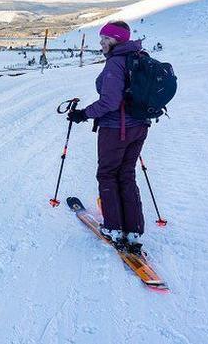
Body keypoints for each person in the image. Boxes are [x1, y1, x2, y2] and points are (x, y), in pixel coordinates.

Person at [66, 21, 149, 253]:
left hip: (116, 129)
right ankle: (133, 230)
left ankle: (113, 228)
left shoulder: (116, 62)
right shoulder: (137, 56)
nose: (102, 42)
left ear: (118, 40)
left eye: (106, 39)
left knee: (108, 174)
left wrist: (83, 114)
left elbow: (110, 102)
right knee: (126, 174)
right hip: (139, 126)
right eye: (102, 38)